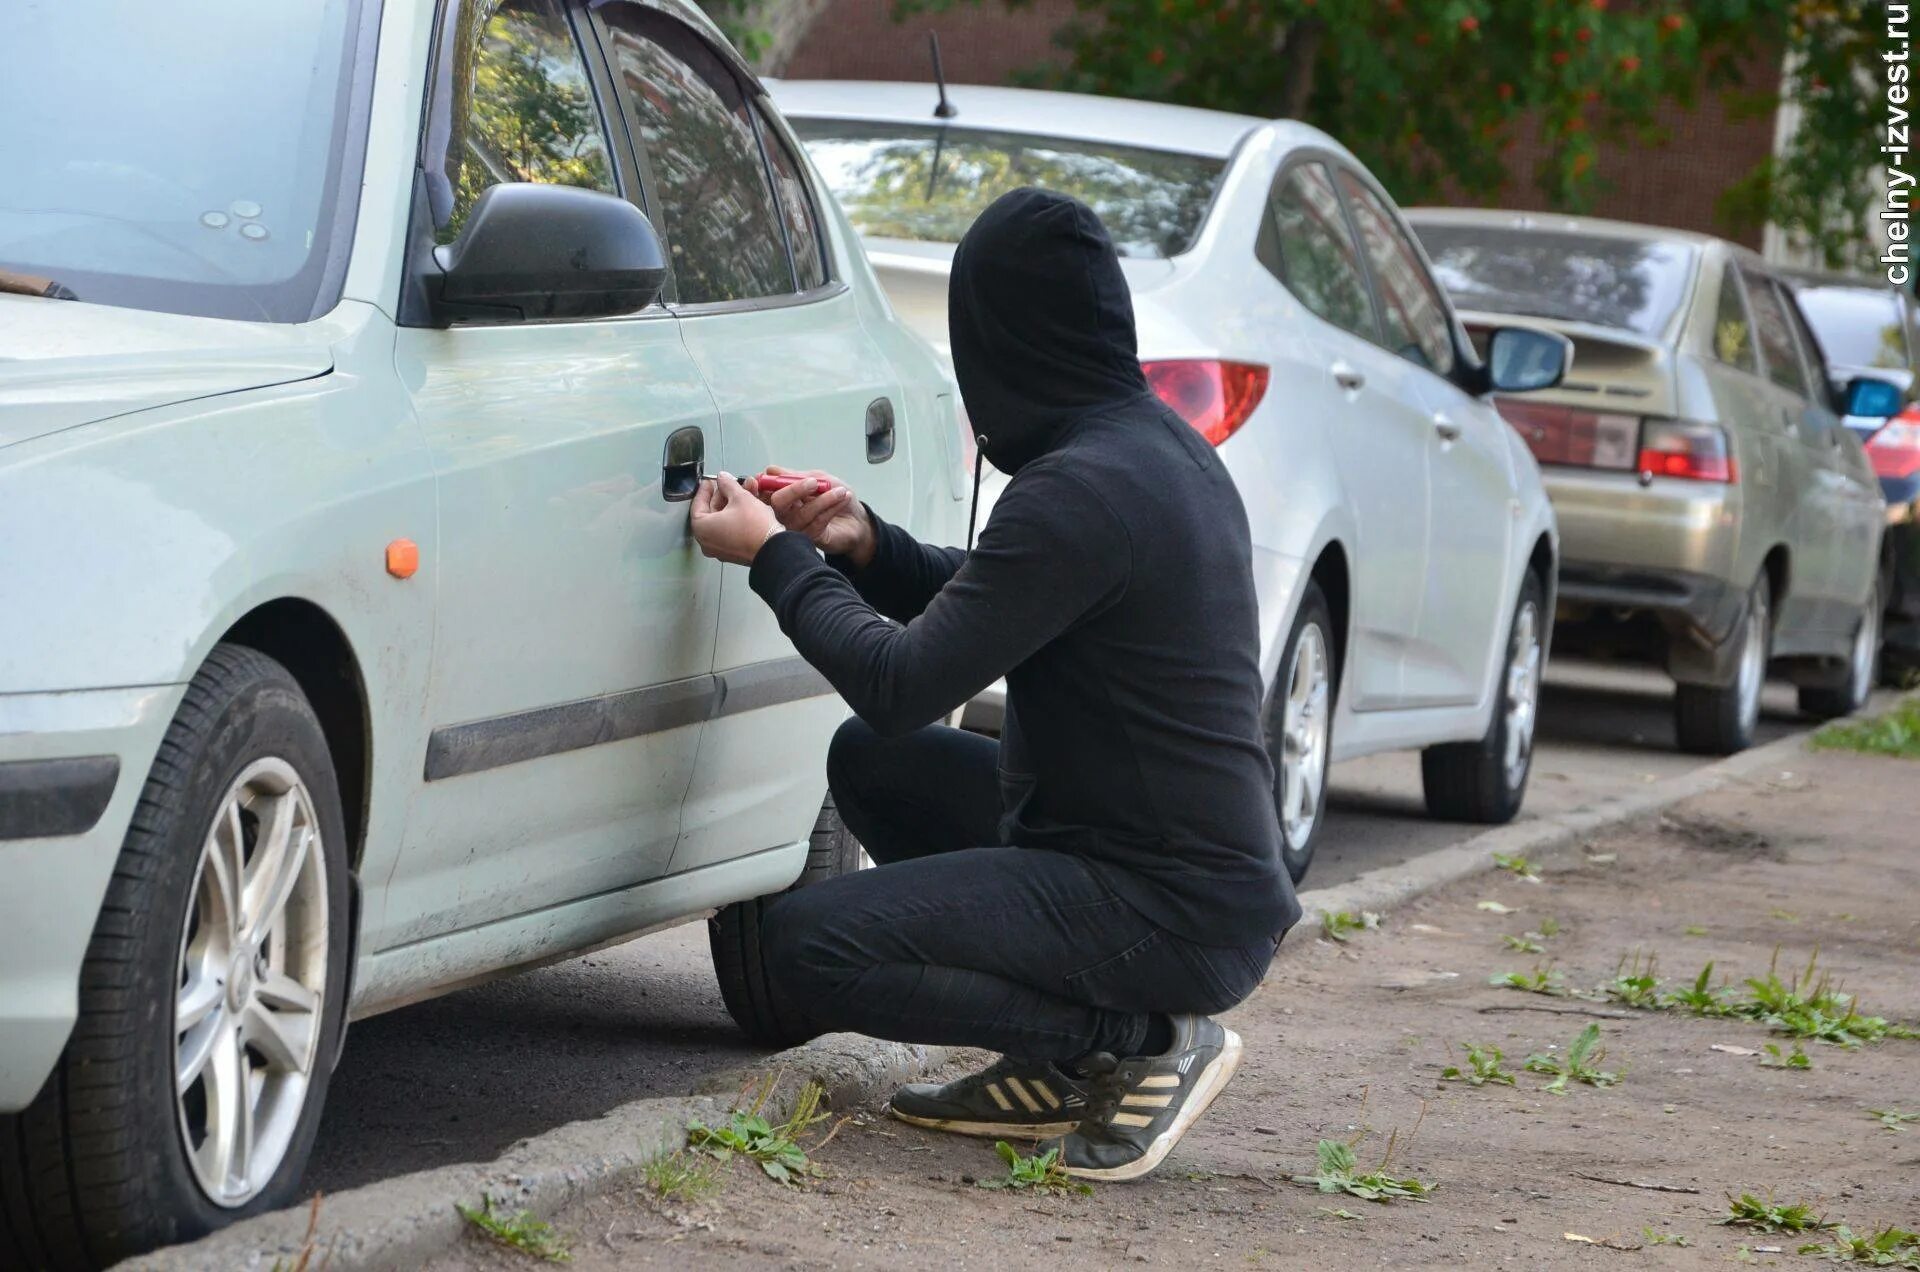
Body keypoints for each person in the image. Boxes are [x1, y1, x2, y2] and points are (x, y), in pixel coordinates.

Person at [687, 187, 1300, 1181]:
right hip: (1155, 863)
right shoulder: (1148, 453)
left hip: (1164, 905)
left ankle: (1130, 1042)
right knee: (874, 766)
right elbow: (1002, 603)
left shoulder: (1082, 490)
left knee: (809, 946)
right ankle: (1063, 1067)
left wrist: (775, 560)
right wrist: (862, 543)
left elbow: (898, 683)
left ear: (998, 343)